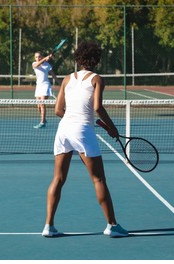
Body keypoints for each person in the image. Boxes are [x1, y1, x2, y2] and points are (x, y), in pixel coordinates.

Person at [42, 41, 129, 238]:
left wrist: (72, 119)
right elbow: (97, 108)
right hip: (82, 131)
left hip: (63, 130)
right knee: (98, 179)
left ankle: (49, 226)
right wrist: (112, 128)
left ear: (78, 58)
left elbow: (57, 111)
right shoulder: (97, 79)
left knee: (58, 179)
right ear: (96, 60)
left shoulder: (66, 78)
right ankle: (112, 226)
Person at [32, 51, 60, 129]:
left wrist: (61, 83)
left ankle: (42, 122)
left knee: (42, 104)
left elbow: (53, 75)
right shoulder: (34, 64)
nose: (38, 58)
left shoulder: (47, 65)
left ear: (41, 56)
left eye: (39, 56)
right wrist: (45, 58)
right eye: (36, 57)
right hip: (38, 87)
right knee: (38, 106)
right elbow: (37, 65)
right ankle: (43, 119)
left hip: (45, 85)